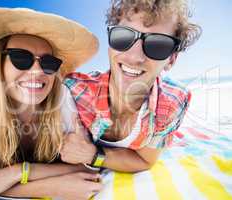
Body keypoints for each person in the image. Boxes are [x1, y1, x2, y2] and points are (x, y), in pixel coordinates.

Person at [0, 7, 102, 200]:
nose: (38, 70)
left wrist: (17, 173)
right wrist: (53, 186)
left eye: (49, 63)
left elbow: (86, 166)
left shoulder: (62, 99)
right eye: (21, 58)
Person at [59, 0, 202, 172]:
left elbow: (144, 161)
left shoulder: (172, 101)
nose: (134, 57)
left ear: (171, 59)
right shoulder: (73, 90)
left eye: (157, 45)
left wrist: (92, 154)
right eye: (123, 36)